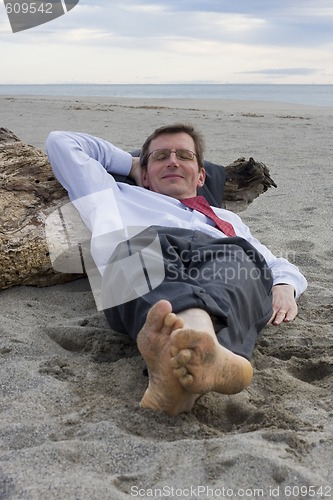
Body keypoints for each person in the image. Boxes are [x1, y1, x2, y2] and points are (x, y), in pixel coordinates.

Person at [46, 124, 307, 416]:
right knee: (134, 250)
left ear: (200, 175)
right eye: (160, 156)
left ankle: (181, 382)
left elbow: (273, 261)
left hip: (220, 258)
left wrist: (285, 285)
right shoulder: (112, 194)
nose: (173, 161)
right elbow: (62, 142)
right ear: (144, 174)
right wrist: (131, 163)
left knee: (238, 258)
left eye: (184, 155)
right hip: (141, 257)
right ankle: (203, 350)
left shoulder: (226, 219)